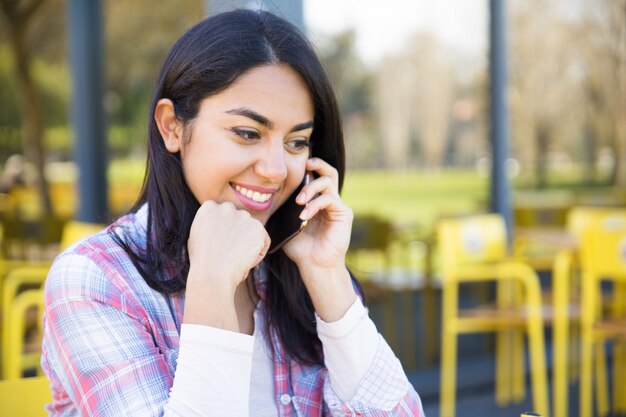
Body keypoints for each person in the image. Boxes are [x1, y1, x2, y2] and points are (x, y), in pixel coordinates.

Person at [41, 9, 424, 417]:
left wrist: (327, 275)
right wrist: (211, 283)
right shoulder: (97, 281)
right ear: (172, 127)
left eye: (297, 142)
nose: (277, 169)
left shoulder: (299, 276)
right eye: (247, 133)